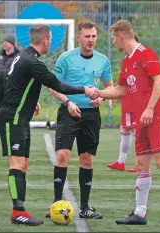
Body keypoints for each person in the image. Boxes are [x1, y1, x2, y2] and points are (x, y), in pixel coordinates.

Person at [89, 20, 160, 227]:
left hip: (157, 115)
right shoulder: (126, 61)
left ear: (121, 36)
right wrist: (101, 94)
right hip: (142, 120)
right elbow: (121, 90)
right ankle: (140, 213)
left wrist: (149, 108)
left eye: (113, 38)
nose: (113, 42)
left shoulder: (145, 53)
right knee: (141, 165)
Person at [0, 24, 96, 226]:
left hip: (20, 119)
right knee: (16, 164)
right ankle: (18, 211)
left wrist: (31, 101)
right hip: (12, 119)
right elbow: (57, 85)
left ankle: (20, 209)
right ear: (46, 40)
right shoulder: (32, 61)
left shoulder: (23, 56)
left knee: (23, 164)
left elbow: (10, 81)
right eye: (50, 39)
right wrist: (84, 89)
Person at [46, 19, 113, 220]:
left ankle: (84, 207)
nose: (91, 40)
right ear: (78, 38)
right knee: (62, 156)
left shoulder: (103, 60)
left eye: (93, 36)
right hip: (68, 112)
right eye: (87, 36)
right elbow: (52, 86)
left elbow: (109, 86)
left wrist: (101, 97)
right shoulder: (66, 58)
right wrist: (68, 102)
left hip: (91, 116)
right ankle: (56, 205)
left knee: (87, 159)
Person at [0, 35, 20, 132]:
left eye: (6, 42)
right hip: (0, 87)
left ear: (12, 44)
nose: (4, 44)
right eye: (3, 42)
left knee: (11, 107)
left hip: (12, 88)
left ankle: (12, 126)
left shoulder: (18, 56)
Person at [107, 92, 137, 172]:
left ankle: (140, 165)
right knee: (125, 130)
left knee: (138, 134)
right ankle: (121, 162)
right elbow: (119, 90)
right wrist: (112, 98)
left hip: (134, 110)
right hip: (128, 109)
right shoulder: (126, 81)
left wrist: (112, 98)